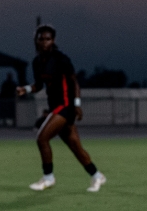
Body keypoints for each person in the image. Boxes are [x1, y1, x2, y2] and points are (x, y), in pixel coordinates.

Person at [16, 25, 106, 192]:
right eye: (41, 39)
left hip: (66, 106)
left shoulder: (60, 59)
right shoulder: (37, 62)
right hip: (55, 106)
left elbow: (74, 82)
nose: (44, 42)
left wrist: (77, 104)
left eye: (48, 39)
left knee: (42, 138)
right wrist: (26, 89)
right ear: (36, 40)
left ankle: (48, 177)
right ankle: (97, 175)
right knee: (75, 147)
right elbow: (39, 85)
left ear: (53, 41)